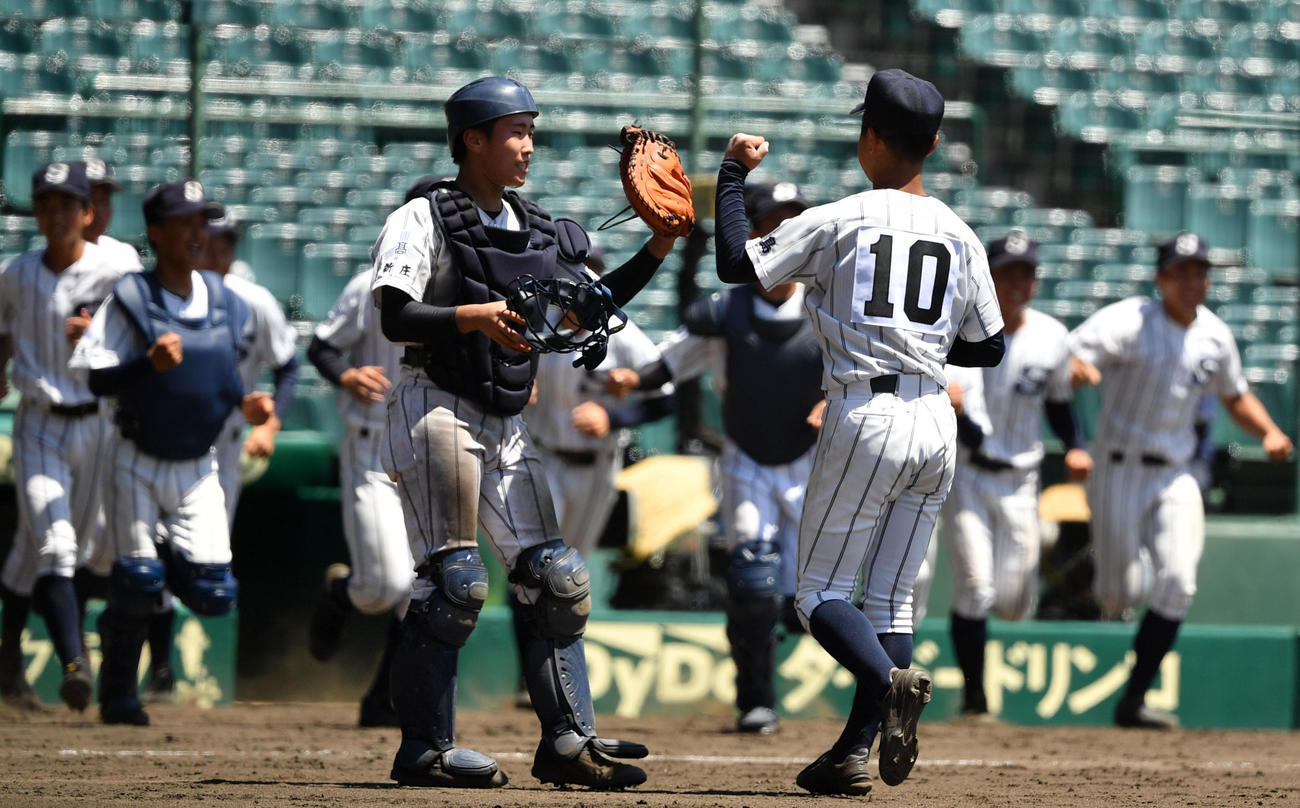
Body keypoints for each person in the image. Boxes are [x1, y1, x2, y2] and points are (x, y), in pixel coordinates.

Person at [371, 76, 678, 789]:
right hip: (436, 404)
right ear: (472, 139)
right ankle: (425, 749)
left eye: (531, 130)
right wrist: (469, 317)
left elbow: (582, 310)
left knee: (558, 580)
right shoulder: (425, 218)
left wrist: (657, 249)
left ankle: (570, 742)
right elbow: (393, 314)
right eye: (515, 131)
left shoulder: (539, 227)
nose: (528, 145)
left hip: (504, 419)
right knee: (456, 583)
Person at [712, 69, 1005, 796]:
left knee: (816, 595)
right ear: (933, 145)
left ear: (870, 137)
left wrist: (728, 176)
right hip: (938, 418)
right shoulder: (961, 232)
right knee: (892, 601)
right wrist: (924, 348)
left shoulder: (841, 216)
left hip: (865, 411)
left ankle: (890, 680)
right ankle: (851, 752)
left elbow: (734, 263)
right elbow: (991, 346)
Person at [607, 181, 823, 736]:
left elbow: (863, 370)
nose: (782, 235)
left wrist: (834, 402)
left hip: (812, 466)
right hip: (747, 459)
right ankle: (756, 700)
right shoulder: (728, 312)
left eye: (792, 224)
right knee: (753, 581)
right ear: (750, 235)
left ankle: (859, 695)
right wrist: (633, 379)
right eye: (770, 224)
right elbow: (669, 363)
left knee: (810, 600)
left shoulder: (829, 307)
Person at [1068, 231, 1293, 729]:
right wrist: (1079, 366)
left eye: (1200, 271)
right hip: (1118, 468)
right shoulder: (1130, 320)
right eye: (1182, 271)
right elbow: (1071, 353)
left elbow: (1235, 395)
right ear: (1161, 278)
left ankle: (1133, 701)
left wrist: (1271, 431)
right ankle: (1107, 575)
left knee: (1179, 583)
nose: (1193, 281)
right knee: (1118, 596)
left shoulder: (1214, 335)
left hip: (1176, 473)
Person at [69, 180, 273, 726]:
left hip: (198, 461)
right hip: (135, 454)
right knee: (136, 580)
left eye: (200, 221)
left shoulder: (227, 300)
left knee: (214, 593)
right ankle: (118, 694)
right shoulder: (132, 296)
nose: (195, 233)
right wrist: (145, 366)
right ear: (156, 232)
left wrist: (251, 408)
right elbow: (93, 380)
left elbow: (221, 382)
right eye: (183, 223)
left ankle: (152, 566)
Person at [135, 214, 300, 705]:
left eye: (227, 243)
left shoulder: (253, 301)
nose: (219, 252)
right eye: (211, 242)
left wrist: (271, 424)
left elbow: (288, 365)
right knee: (151, 550)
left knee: (205, 562)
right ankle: (160, 669)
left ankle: (169, 662)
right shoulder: (158, 297)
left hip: (222, 445)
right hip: (162, 436)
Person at [935, 230, 1092, 719]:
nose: (1018, 282)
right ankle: (975, 697)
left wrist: (1076, 446)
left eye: (1026, 273)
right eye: (1008, 272)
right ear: (988, 276)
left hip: (1023, 479)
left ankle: (977, 684)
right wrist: (948, 399)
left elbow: (1062, 405)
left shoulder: (1052, 336)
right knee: (976, 587)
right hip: (968, 474)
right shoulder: (961, 328)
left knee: (1013, 601)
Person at [0, 162, 132, 712]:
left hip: (97, 424)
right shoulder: (14, 273)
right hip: (39, 421)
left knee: (45, 555)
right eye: (46, 203)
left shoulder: (117, 266)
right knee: (56, 546)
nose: (56, 214)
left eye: (67, 204)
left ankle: (7, 670)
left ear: (87, 212)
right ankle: (76, 665)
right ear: (36, 211)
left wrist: (100, 330)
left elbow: (145, 330)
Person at [305, 182, 425, 729]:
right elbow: (321, 346)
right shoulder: (368, 286)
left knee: (426, 590)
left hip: (432, 453)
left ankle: (384, 699)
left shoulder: (465, 287)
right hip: (373, 448)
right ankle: (342, 591)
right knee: (386, 587)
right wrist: (346, 374)